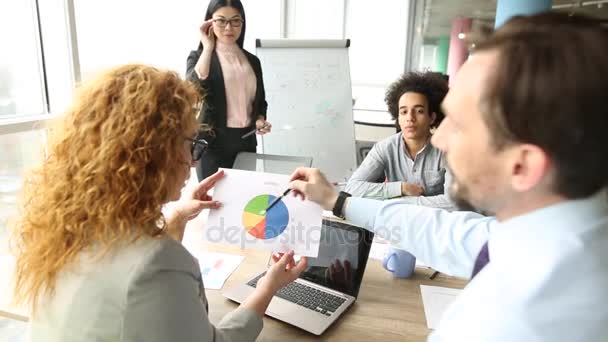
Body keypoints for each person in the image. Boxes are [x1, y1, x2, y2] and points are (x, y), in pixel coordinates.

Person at [288, 13, 608, 341]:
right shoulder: (552, 235)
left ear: (522, 166)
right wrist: (337, 200)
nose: (440, 139)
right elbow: (451, 232)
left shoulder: (515, 320)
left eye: (459, 123)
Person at [11, 64, 307, 342]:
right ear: (155, 153)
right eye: (191, 143)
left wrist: (175, 220)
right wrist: (268, 286)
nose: (193, 162)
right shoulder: (156, 264)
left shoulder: (66, 229)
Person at [186, 0, 271, 181]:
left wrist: (260, 119)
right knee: (214, 201)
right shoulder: (199, 57)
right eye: (221, 21)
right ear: (210, 22)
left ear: (242, 22)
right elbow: (192, 90)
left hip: (246, 142)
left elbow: (260, 101)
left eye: (235, 21)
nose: (228, 27)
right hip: (212, 144)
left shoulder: (253, 61)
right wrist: (208, 47)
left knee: (245, 199)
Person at [345, 72, 455, 211]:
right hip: (394, 225)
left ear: (432, 118)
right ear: (397, 116)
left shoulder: (447, 150)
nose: (410, 118)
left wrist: (402, 202)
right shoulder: (385, 148)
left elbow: (454, 203)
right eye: (403, 112)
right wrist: (401, 188)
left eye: (419, 111)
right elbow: (353, 188)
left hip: (434, 226)